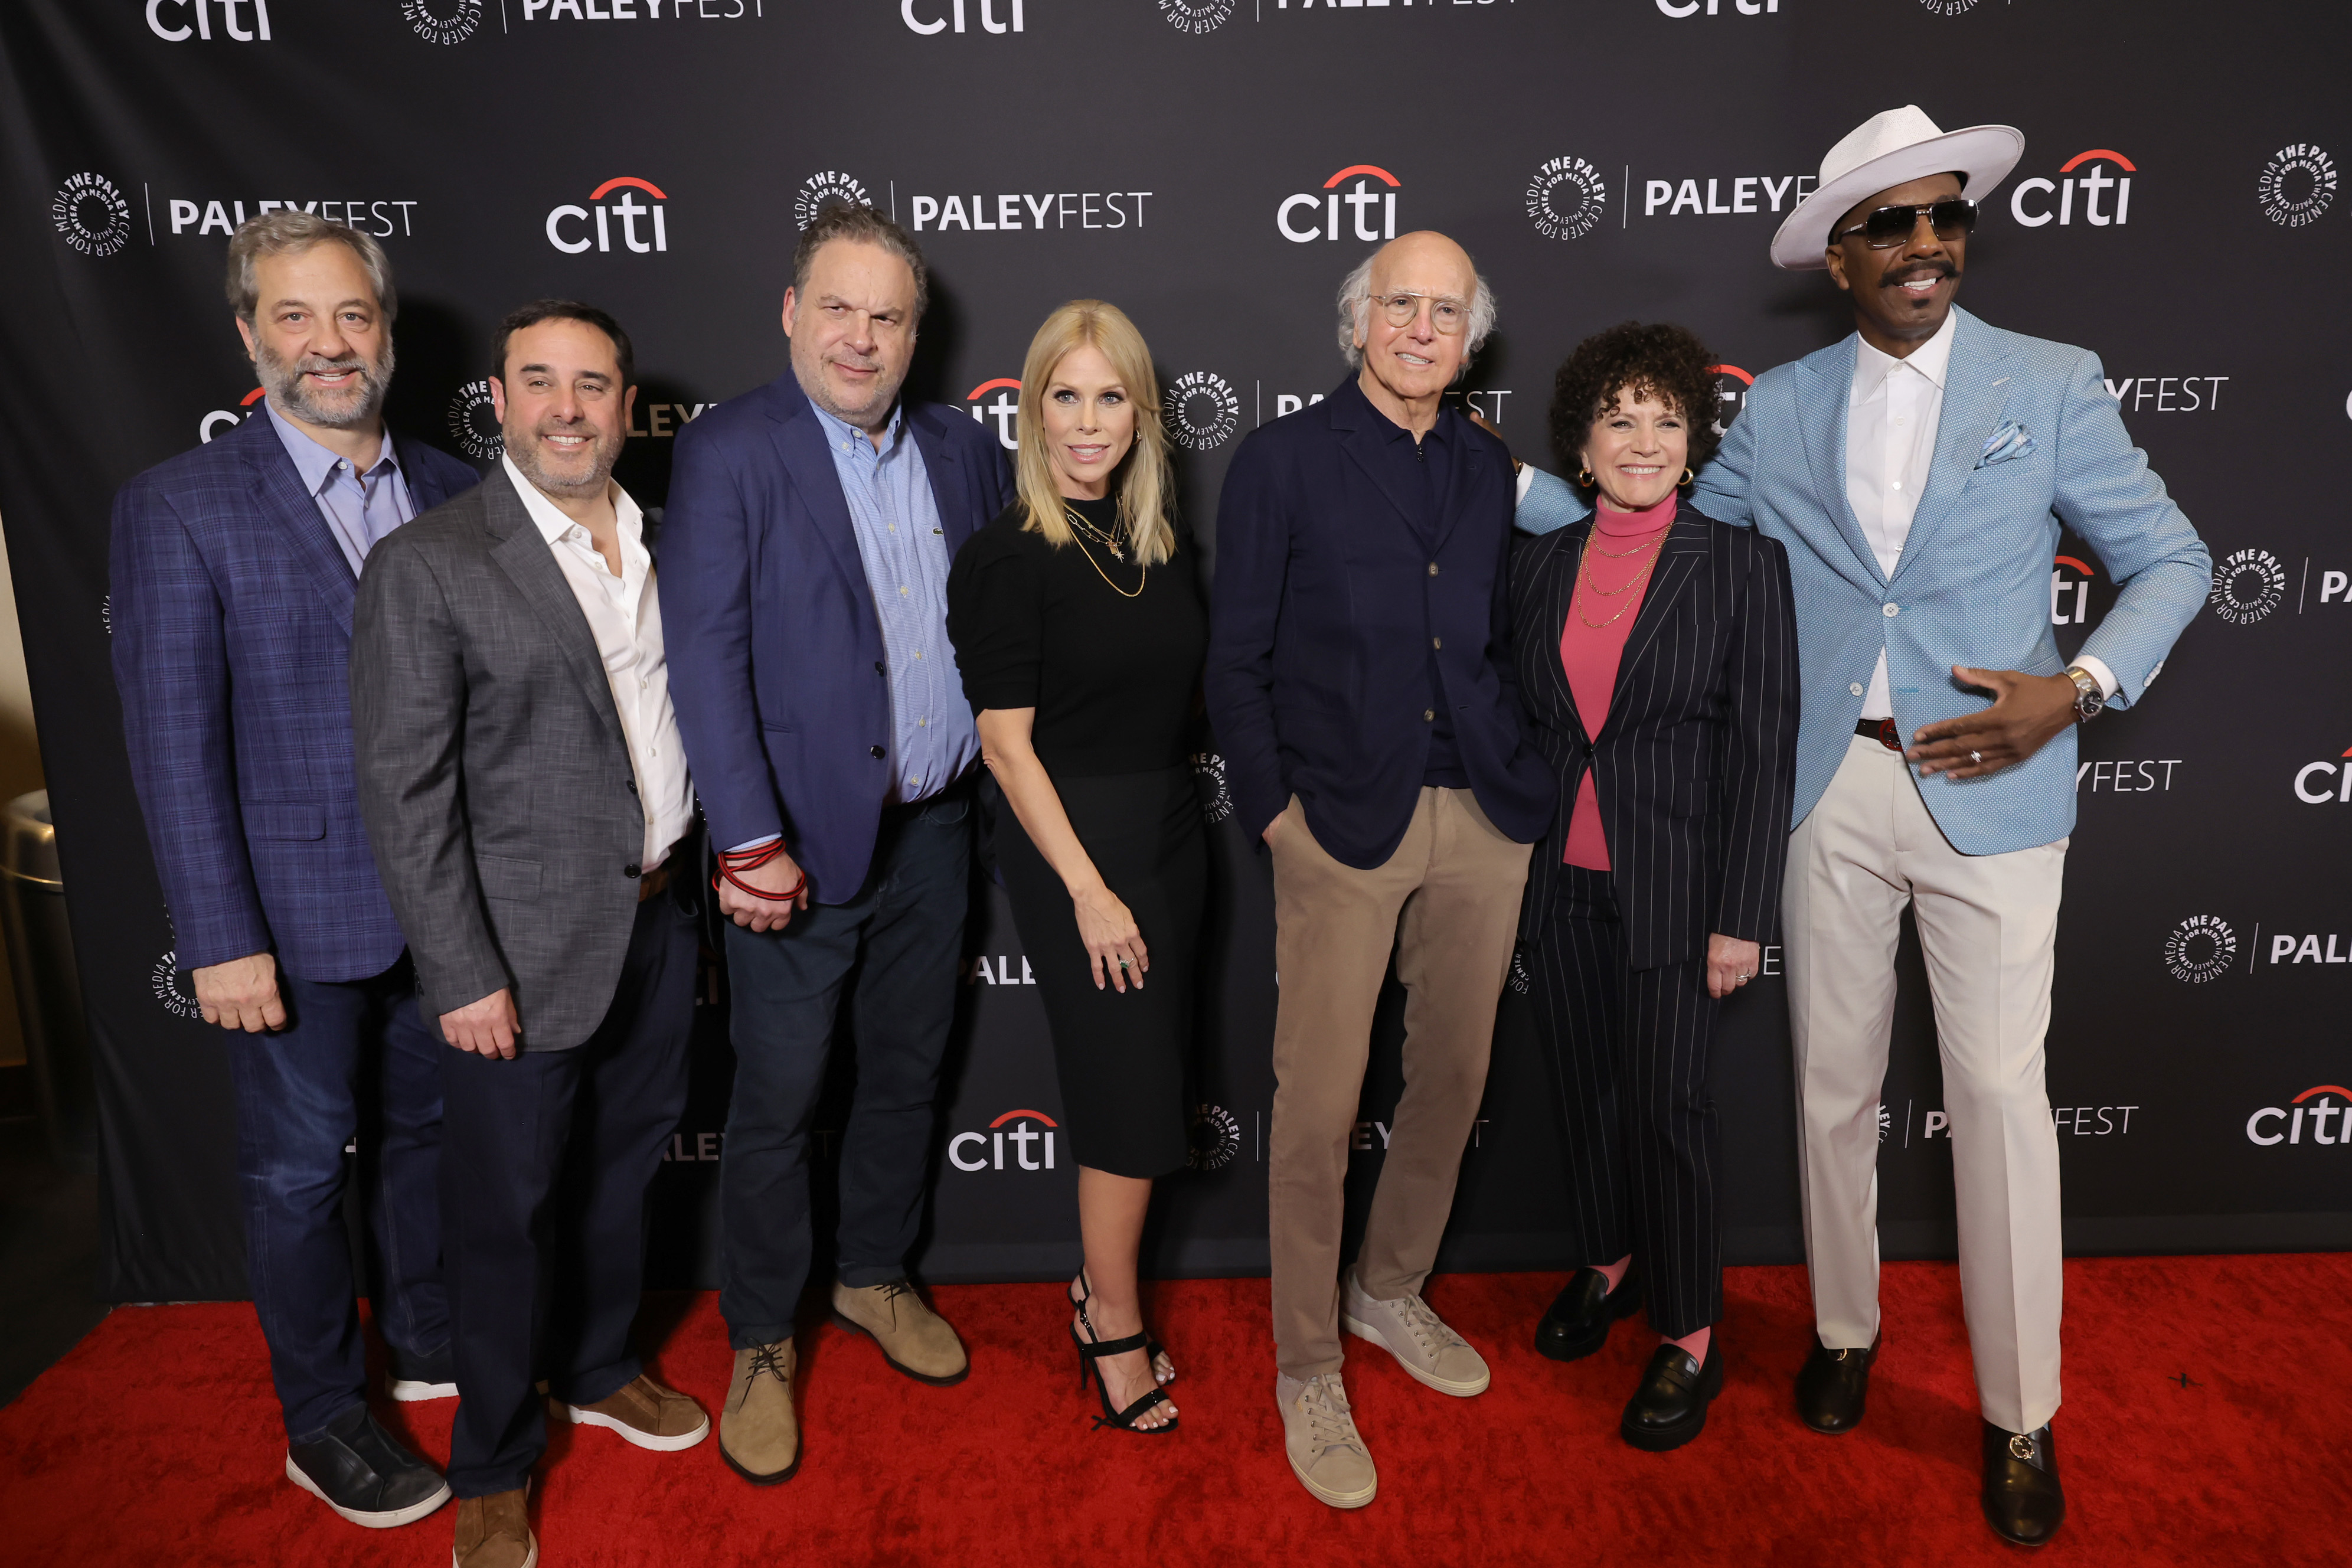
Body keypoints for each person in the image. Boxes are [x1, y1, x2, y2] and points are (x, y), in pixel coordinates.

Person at [1518, 108, 2210, 1543]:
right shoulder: (1776, 405)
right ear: (1839, 258)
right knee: (1830, 1083)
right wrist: (1484, 483)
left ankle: (2021, 1412)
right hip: (1823, 787)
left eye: (1945, 216)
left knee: (2000, 1101)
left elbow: (2172, 559)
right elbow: (1657, 519)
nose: (1924, 243)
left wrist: (2077, 690)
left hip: (1997, 792)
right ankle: (1845, 1330)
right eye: (1889, 224)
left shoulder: (2050, 379)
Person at [110, 212, 476, 1530]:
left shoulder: (457, 488)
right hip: (291, 913)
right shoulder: (179, 506)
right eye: (296, 317)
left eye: (352, 315)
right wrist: (219, 935)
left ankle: (428, 1338)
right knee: (298, 1173)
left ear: (386, 331)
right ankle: (322, 1418)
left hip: (450, 912)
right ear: (248, 334)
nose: (329, 344)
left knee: (431, 1139)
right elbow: (172, 744)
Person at [351, 300, 710, 1568]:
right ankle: (495, 1462)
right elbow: (406, 793)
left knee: (622, 1177)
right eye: (541, 382)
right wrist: (460, 973)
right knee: (504, 1218)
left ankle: (601, 1366)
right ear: (499, 401)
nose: (568, 408)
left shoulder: (668, 544)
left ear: (626, 406)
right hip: (511, 956)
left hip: (661, 921)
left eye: (593, 385)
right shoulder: (432, 562)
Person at [660, 203, 1014, 1486]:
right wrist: (749, 842)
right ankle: (762, 1336)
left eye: (887, 317)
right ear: (791, 313)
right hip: (794, 850)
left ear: (916, 334)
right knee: (778, 1102)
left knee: (906, 1074)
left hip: (936, 830)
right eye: (839, 310)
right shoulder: (730, 449)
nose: (860, 338)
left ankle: (872, 1273)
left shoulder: (964, 448)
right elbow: (704, 655)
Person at [1206, 232, 1554, 1509]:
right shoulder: (1282, 459)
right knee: (1316, 1106)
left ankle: (1387, 1288)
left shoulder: (1489, 467)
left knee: (1454, 1076)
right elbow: (1234, 659)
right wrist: (1275, 814)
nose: (1421, 327)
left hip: (1484, 813)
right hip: (1341, 822)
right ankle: (1307, 1363)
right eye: (1400, 303)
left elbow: (1517, 627)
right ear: (1358, 322)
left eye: (1445, 311)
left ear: (1471, 339)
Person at [1508, 322, 1798, 1452]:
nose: (1642, 441)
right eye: (1618, 420)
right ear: (1580, 446)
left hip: (1679, 891)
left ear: (1693, 441)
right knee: (1584, 1091)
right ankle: (1608, 1260)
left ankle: (1689, 1331)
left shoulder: (1741, 566)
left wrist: (1742, 916)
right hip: (1558, 882)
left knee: (1669, 1109)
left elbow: (1764, 755)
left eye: (1665, 420)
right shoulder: (1538, 565)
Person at [945, 300, 1206, 1436]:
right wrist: (1090, 892)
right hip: (1077, 853)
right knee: (1124, 1094)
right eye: (1066, 395)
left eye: (1111, 396)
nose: (1088, 421)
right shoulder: (1006, 557)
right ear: (1032, 410)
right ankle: (1111, 1318)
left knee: (1150, 1082)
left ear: (1140, 413)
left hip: (1171, 838)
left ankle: (1101, 1292)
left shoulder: (1157, 543)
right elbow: (1006, 748)